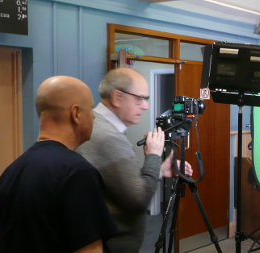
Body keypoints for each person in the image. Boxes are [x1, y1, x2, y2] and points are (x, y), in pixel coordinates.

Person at [0, 76, 117, 253]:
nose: (94, 116)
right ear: (76, 113)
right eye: (90, 108)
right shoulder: (77, 173)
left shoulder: (10, 173)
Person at [76, 67, 193, 253]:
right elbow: (138, 199)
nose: (146, 106)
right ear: (117, 97)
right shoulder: (108, 138)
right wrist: (154, 154)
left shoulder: (95, 124)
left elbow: (118, 184)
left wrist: (160, 170)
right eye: (140, 99)